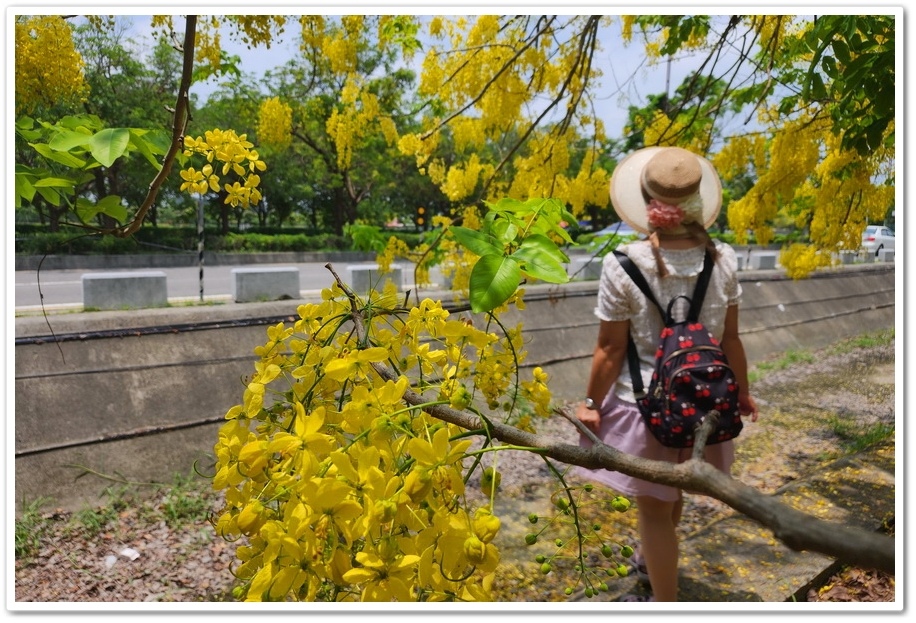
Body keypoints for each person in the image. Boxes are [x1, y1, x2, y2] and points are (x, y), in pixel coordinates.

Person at [574, 146, 759, 602]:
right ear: (699, 201)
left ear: (643, 200)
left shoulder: (622, 264)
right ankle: (653, 563)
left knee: (654, 511)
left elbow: (609, 349)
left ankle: (664, 604)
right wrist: (743, 395)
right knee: (668, 497)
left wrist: (591, 405)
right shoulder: (725, 259)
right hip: (705, 405)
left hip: (645, 409)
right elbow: (730, 341)